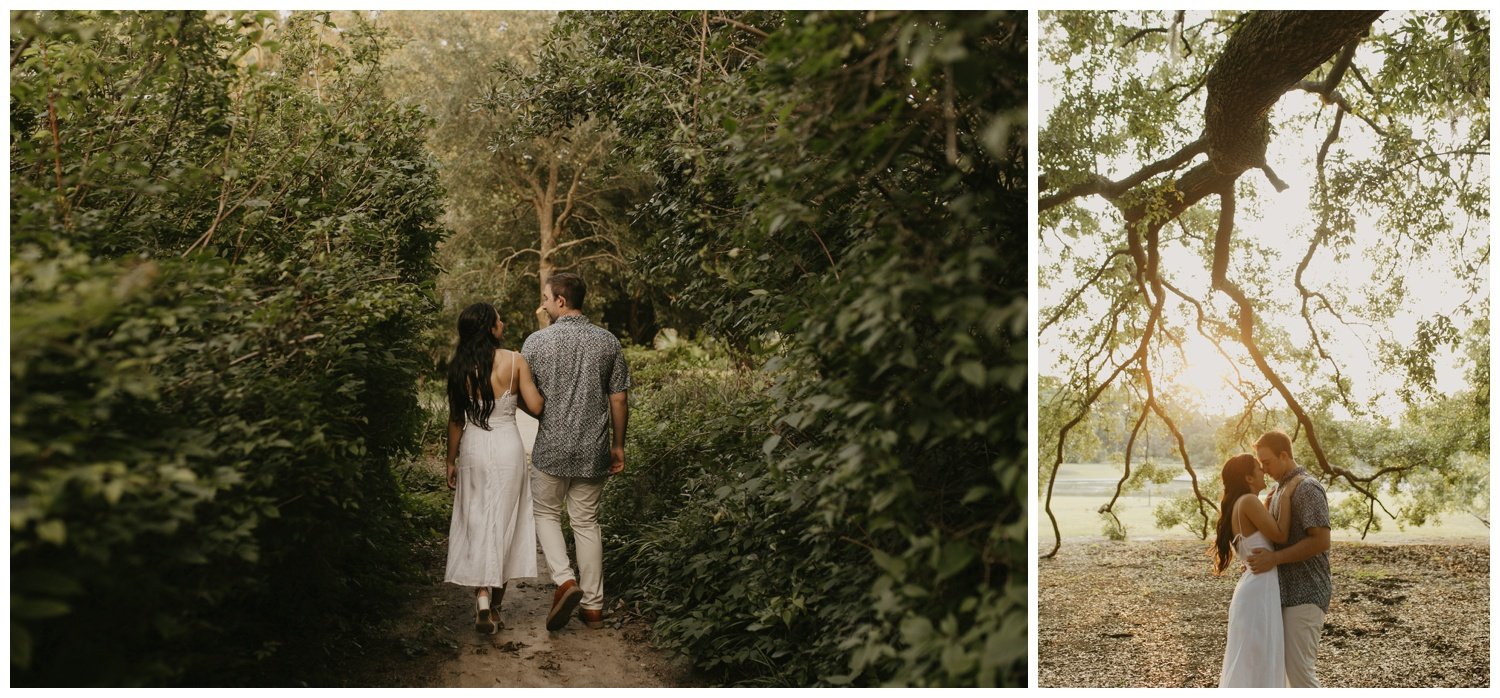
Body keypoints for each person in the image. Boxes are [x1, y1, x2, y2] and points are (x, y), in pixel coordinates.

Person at [522, 272, 630, 631]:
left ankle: (566, 581)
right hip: (593, 448)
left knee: (546, 515)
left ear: (561, 301)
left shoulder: (535, 344)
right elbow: (618, 398)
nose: (544, 304)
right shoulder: (608, 341)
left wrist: (536, 412)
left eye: (546, 298)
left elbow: (527, 398)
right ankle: (595, 607)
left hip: (551, 447)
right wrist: (618, 444)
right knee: (586, 523)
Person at [443, 302, 545, 634]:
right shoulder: (515, 361)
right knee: (505, 522)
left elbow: (456, 420)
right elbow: (536, 405)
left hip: (473, 448)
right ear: (489, 327)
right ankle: (496, 606)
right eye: (499, 319)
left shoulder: (458, 367)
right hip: (507, 448)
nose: (503, 322)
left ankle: (482, 597)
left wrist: (450, 460)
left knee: (477, 520)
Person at [1246, 430, 1332, 687]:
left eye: (1267, 462)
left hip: (1306, 593)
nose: (1264, 469)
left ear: (1284, 455)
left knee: (1299, 674)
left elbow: (1321, 540)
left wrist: (1275, 559)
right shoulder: (1279, 489)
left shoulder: (1306, 488)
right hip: (1283, 593)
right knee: (1282, 674)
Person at [1215, 453, 1303, 688]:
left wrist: (1270, 499)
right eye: (1258, 467)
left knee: (1252, 661)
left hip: (1254, 587)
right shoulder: (1248, 502)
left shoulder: (1242, 503)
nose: (1263, 471)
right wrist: (1286, 492)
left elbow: (1258, 532)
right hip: (1259, 590)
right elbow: (1281, 535)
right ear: (1248, 477)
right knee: (1259, 659)